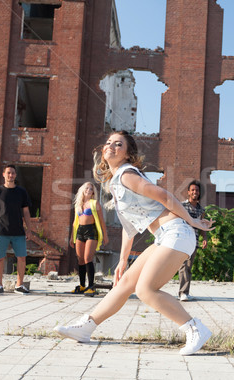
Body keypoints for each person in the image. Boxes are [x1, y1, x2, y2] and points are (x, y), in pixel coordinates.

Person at [54, 131, 214, 356]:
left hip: (176, 232)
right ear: (103, 152)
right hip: (165, 236)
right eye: (109, 143)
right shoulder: (116, 181)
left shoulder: (126, 175)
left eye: (119, 144)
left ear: (127, 154)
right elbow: (130, 227)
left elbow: (165, 196)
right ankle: (86, 326)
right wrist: (121, 261)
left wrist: (193, 221)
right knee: (125, 282)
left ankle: (195, 328)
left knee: (145, 290)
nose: (111, 146)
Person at [0, 165, 33, 295]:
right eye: (8, 173)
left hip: (18, 231)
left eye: (13, 173)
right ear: (3, 174)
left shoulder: (21, 192)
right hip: (1, 230)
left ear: (15, 175)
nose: (10, 175)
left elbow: (26, 212)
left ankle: (19, 285)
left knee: (22, 258)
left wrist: (29, 229)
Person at [70, 182, 109, 295]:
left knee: (88, 258)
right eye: (86, 188)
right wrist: (72, 237)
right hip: (79, 232)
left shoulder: (95, 203)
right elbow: (74, 222)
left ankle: (91, 286)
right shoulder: (78, 205)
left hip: (91, 232)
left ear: (93, 193)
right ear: (82, 190)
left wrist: (105, 236)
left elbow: (102, 221)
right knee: (80, 259)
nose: (88, 190)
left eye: (91, 189)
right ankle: (82, 286)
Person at [177, 180, 207, 302]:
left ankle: (185, 292)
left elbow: (202, 225)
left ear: (199, 193)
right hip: (183, 239)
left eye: (197, 190)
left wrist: (204, 238)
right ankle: (182, 293)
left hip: (194, 241)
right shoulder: (182, 206)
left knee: (188, 266)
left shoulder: (201, 209)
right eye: (193, 190)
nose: (195, 192)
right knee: (183, 266)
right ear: (188, 192)